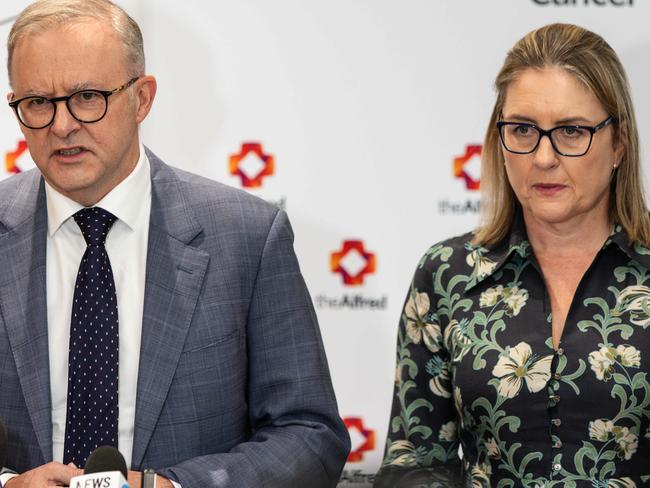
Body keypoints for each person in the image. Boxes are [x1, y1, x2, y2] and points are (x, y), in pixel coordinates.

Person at [0, 1, 350, 487]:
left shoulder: (248, 236)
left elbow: (310, 434)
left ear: (142, 98)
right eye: (39, 102)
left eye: (87, 97)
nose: (62, 126)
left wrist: (174, 486)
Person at [374, 23, 650, 487]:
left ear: (618, 141)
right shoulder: (446, 274)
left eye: (571, 131)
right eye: (522, 130)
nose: (543, 157)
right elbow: (415, 459)